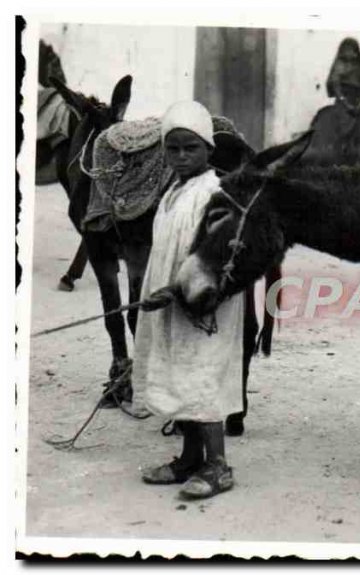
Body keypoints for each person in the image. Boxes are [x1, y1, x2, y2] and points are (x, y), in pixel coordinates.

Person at [132, 101, 244, 499]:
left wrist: (181, 291)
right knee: (181, 374)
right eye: (173, 148)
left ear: (208, 150)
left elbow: (222, 257)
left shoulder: (215, 193)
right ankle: (189, 458)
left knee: (202, 376)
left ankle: (218, 466)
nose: (180, 157)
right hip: (171, 302)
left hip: (204, 306)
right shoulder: (173, 193)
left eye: (190, 148)